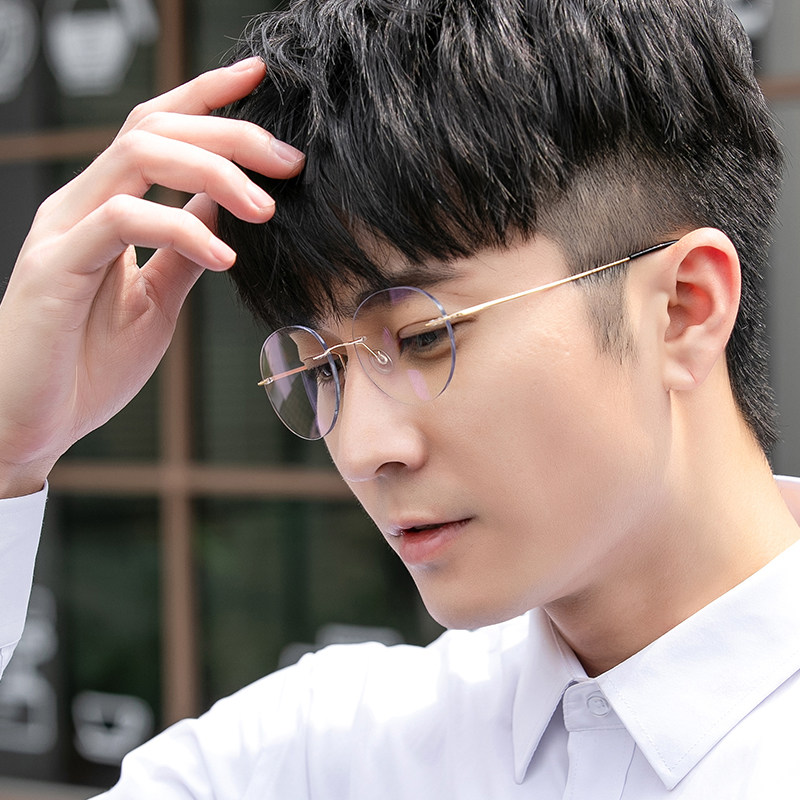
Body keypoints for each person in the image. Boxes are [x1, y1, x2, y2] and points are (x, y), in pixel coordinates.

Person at [1, 0, 799, 796]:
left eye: (423, 338)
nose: (360, 449)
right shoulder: (318, 755)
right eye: (322, 370)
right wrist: (11, 446)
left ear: (682, 308)